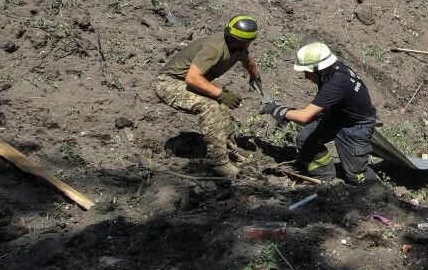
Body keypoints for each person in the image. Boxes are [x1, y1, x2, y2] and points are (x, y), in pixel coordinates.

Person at [155, 16, 265, 179]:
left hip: (189, 82)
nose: (245, 45)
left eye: (248, 42)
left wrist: (255, 78)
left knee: (222, 107)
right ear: (230, 36)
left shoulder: (238, 46)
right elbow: (192, 78)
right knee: (210, 106)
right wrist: (221, 94)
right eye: (242, 41)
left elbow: (248, 61)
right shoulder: (215, 48)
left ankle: (230, 150)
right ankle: (219, 163)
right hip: (169, 83)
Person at [260, 42, 380, 186]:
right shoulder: (331, 70)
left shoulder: (337, 83)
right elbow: (316, 108)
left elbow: (304, 116)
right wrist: (292, 113)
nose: (305, 76)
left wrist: (278, 110)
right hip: (336, 115)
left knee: (356, 175)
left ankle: (381, 195)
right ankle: (327, 179)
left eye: (307, 71)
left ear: (319, 69)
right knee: (306, 140)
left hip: (355, 126)